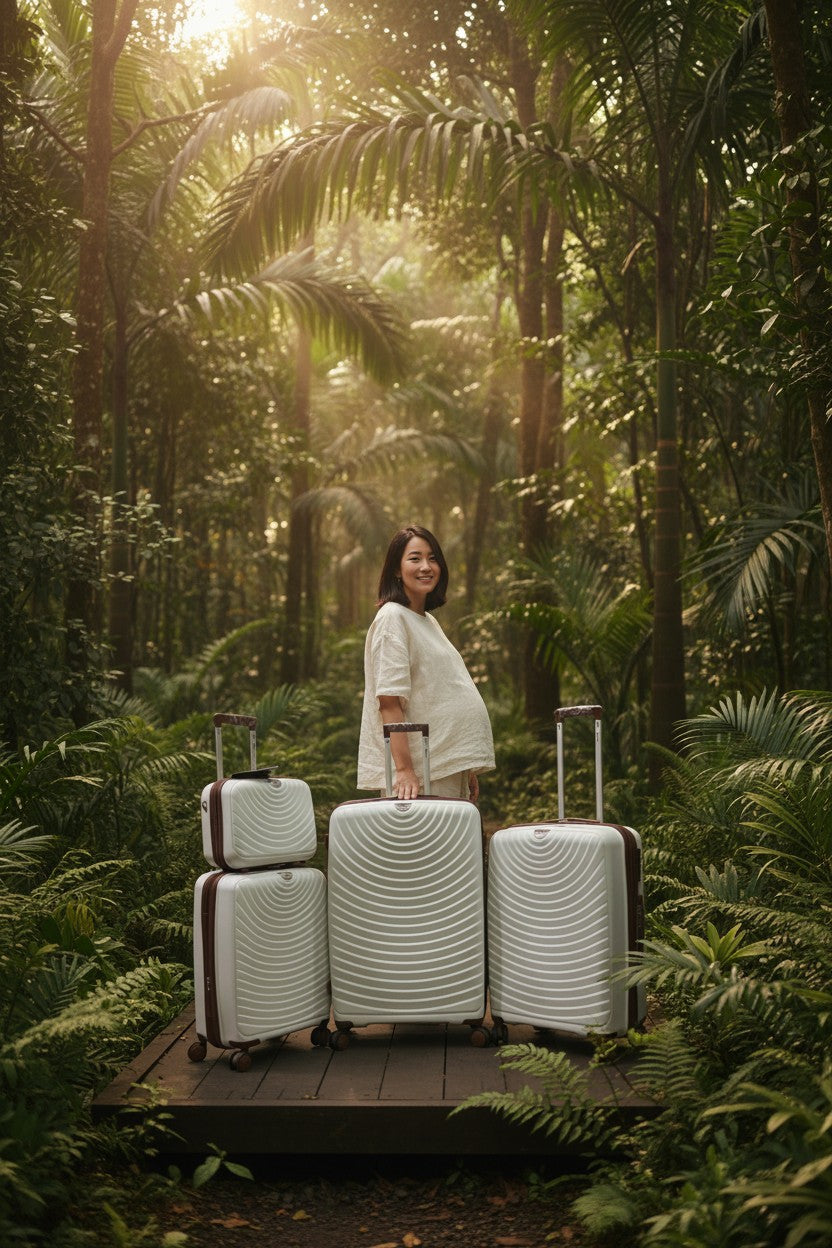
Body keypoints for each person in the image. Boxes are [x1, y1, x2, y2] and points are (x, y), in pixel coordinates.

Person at [357, 524, 495, 802]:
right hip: (420, 773)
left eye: (433, 558)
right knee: (427, 845)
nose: (426, 566)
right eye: (415, 558)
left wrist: (463, 764)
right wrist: (405, 770)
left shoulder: (427, 621)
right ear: (396, 569)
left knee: (455, 845)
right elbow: (389, 701)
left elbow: (439, 693)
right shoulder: (392, 617)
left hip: (444, 764)